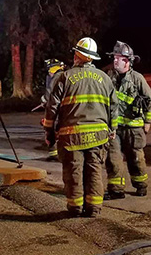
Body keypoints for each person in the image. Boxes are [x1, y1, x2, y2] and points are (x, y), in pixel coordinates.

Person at [43, 37, 118, 218]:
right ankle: (94, 208)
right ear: (92, 58)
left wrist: (49, 132)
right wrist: (112, 129)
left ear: (77, 55)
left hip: (72, 135)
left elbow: (52, 108)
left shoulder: (65, 77)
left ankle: (75, 207)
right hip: (99, 136)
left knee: (73, 171)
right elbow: (113, 107)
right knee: (94, 170)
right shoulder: (105, 78)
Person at [105, 41, 151, 198]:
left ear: (127, 61)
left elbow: (149, 100)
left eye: (118, 58)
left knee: (136, 158)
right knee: (113, 158)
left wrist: (147, 122)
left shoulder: (137, 79)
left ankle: (141, 186)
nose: (115, 61)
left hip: (134, 127)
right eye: (114, 58)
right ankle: (116, 190)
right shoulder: (108, 76)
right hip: (114, 127)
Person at [40, 59, 66, 159]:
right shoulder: (66, 76)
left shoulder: (56, 77)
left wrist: (44, 100)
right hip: (65, 109)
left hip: (56, 109)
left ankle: (54, 154)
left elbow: (50, 94)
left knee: (51, 129)